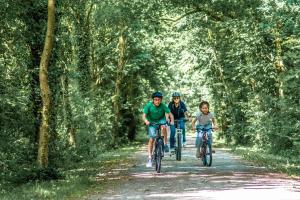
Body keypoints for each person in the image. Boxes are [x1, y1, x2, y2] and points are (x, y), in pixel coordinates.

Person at [142, 92, 174, 167]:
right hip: (151, 122)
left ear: (161, 100)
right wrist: (146, 121)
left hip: (161, 120)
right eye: (155, 100)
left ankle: (165, 143)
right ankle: (150, 158)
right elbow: (143, 116)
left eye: (159, 100)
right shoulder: (149, 106)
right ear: (153, 100)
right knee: (152, 139)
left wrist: (172, 121)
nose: (157, 101)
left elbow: (170, 114)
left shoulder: (163, 106)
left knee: (164, 127)